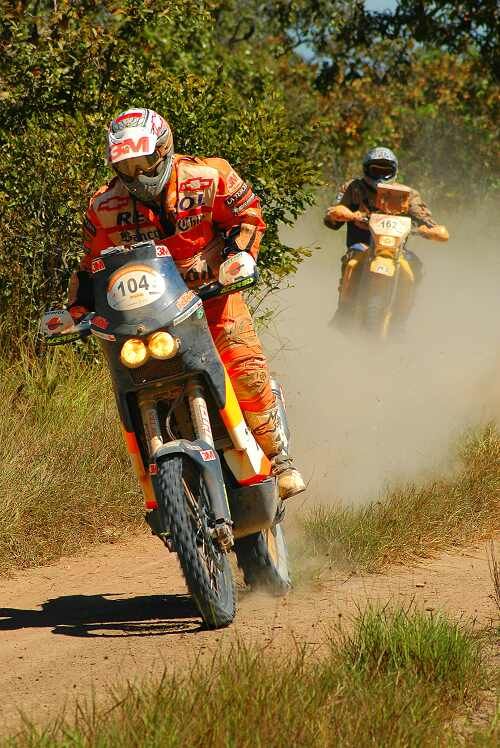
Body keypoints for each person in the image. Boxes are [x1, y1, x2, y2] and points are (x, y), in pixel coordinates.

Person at [67, 107, 305, 499]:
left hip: (214, 300)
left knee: (246, 373)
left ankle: (279, 459)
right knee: (135, 382)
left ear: (163, 150)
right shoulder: (103, 206)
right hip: (149, 318)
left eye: (142, 162)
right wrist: (75, 312)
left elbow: (246, 217)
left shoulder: (210, 176)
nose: (135, 175)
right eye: (124, 166)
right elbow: (92, 266)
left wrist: (238, 256)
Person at [323, 146, 449, 325]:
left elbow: (425, 219)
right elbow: (332, 218)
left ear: (394, 171)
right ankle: (344, 309)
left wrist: (430, 230)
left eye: (386, 170)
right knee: (351, 261)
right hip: (362, 246)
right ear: (367, 169)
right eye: (376, 170)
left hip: (396, 251)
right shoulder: (353, 187)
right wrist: (342, 213)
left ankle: (402, 318)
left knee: (415, 265)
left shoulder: (407, 195)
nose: (380, 175)